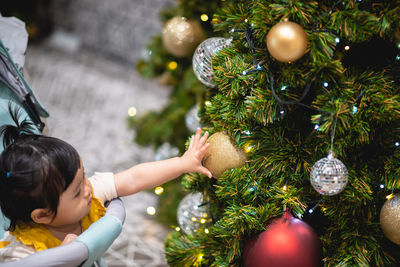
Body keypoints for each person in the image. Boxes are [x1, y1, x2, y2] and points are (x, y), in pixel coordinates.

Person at [0, 108, 212, 262]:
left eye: (83, 177)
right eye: (76, 192)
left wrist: (181, 163)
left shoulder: (89, 192)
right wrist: (60, 259)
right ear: (43, 215)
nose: (87, 188)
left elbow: (134, 178)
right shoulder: (23, 252)